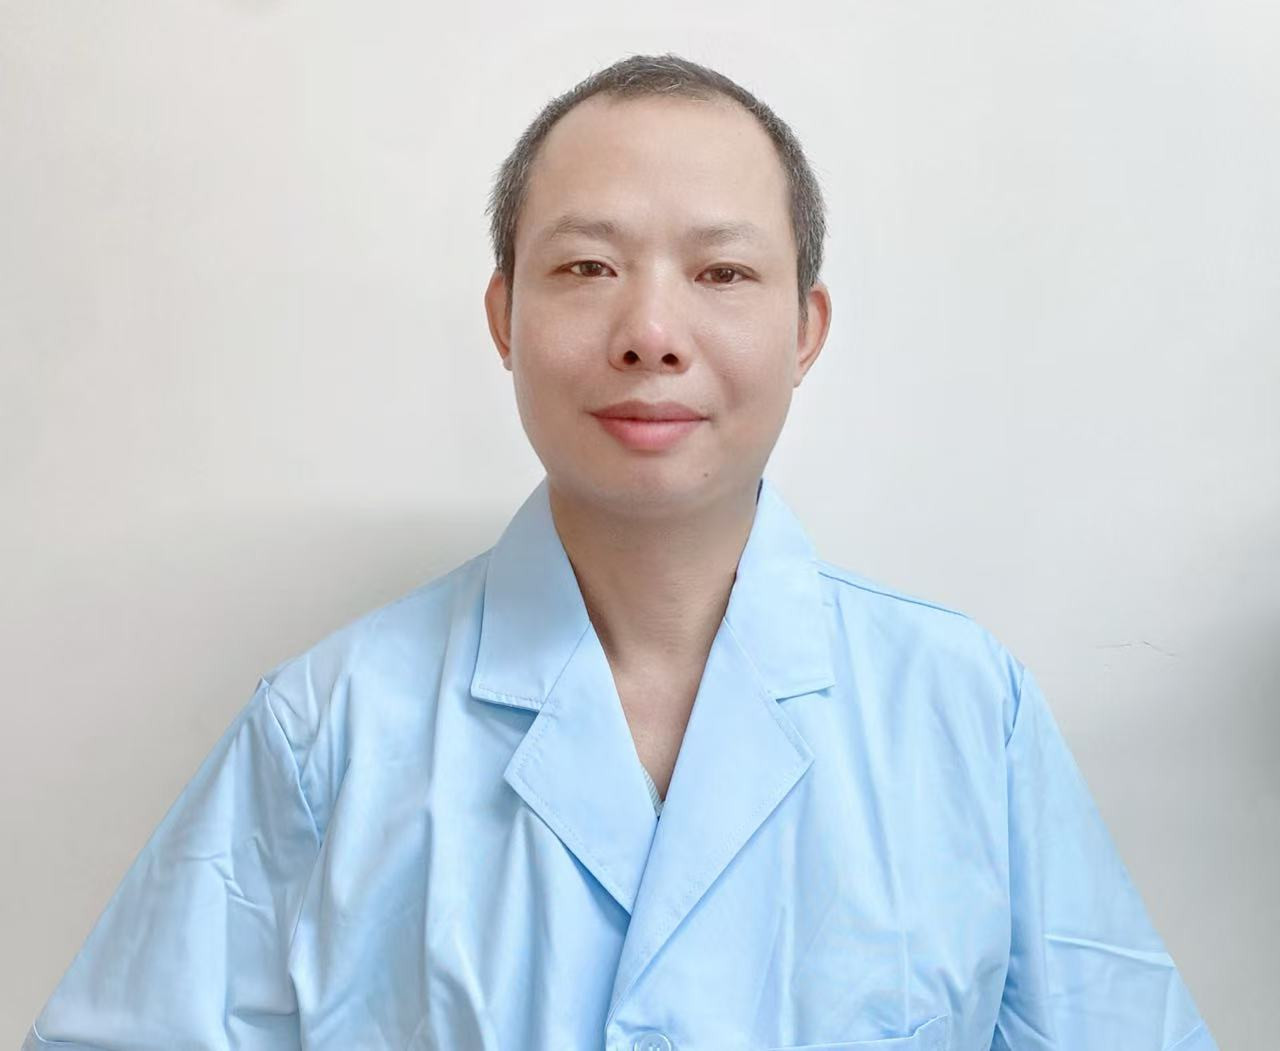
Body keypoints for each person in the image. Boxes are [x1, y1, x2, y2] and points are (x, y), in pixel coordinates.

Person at [23, 52, 1217, 1051]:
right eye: (586, 267)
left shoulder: (961, 708)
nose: (649, 332)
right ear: (504, 317)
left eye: (721, 272)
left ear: (804, 329)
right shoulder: (326, 729)